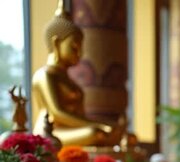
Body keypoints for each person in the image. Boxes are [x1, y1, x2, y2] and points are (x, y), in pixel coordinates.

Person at [32, 1, 123, 146]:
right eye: (74, 48)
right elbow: (56, 113)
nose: (79, 54)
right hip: (51, 133)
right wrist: (99, 125)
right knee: (95, 133)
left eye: (80, 48)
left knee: (119, 134)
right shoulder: (45, 75)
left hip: (73, 131)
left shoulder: (69, 80)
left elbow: (80, 116)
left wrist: (107, 124)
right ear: (56, 43)